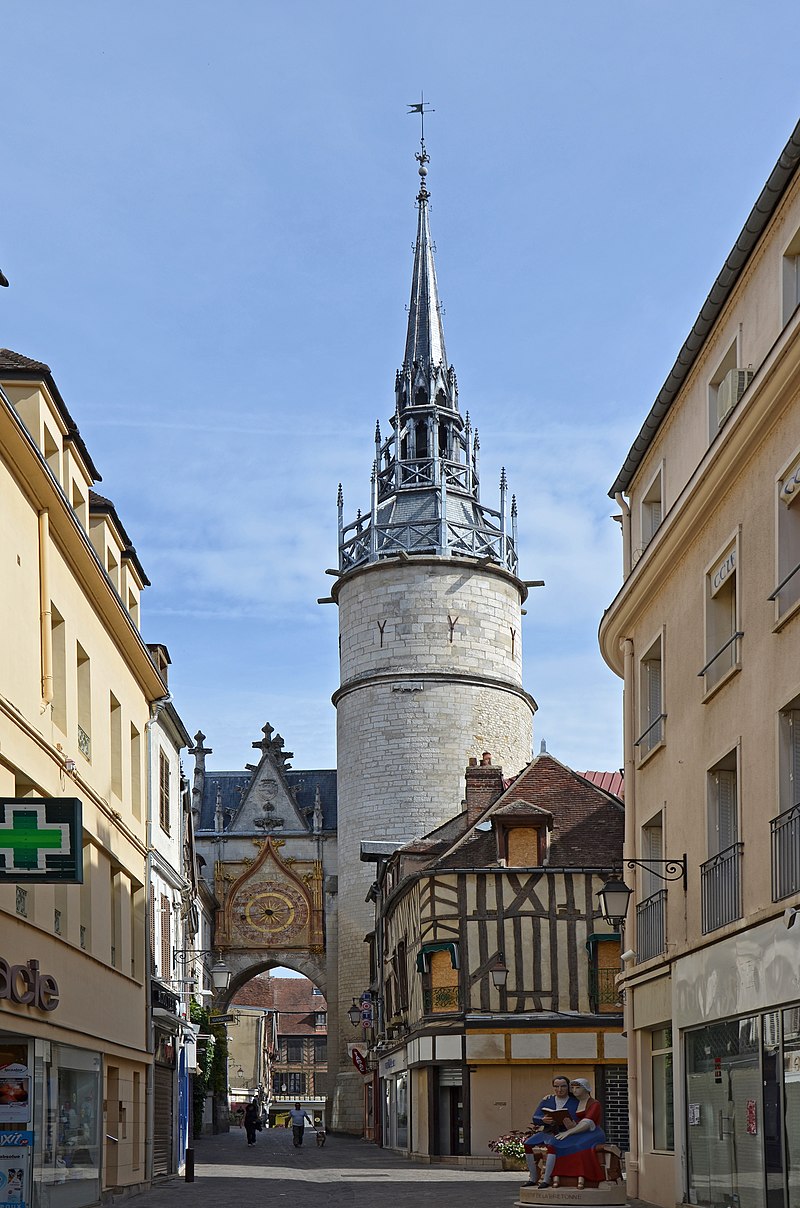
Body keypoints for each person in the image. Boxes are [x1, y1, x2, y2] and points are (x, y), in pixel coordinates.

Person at [530, 1078, 606, 1190]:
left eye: (578, 1088)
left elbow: (587, 1123)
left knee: (578, 1146)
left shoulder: (594, 1103)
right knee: (557, 1145)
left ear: (586, 1089)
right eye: (573, 1088)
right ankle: (557, 1176)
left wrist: (569, 1132)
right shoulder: (577, 1101)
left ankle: (583, 1176)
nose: (574, 1090)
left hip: (592, 1132)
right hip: (576, 1131)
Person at [523, 1076, 580, 1183]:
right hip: (548, 1131)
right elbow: (535, 1117)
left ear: (568, 1087)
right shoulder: (548, 1100)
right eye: (556, 1086)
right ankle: (533, 1177)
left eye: (563, 1086)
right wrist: (543, 1120)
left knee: (552, 1146)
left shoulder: (575, 1101)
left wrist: (572, 1124)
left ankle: (546, 1179)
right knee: (527, 1144)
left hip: (565, 1132)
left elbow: (580, 1118)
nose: (560, 1089)